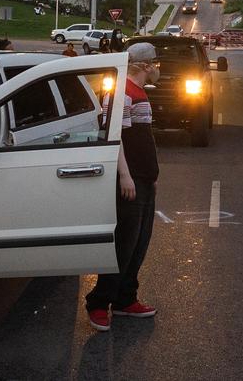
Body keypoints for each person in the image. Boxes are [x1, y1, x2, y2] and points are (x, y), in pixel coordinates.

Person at [85, 41, 160, 331]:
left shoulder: (139, 91)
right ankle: (99, 302)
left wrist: (152, 174)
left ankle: (126, 298)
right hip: (131, 181)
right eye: (154, 61)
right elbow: (114, 138)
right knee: (124, 246)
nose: (157, 67)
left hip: (145, 180)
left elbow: (143, 138)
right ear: (142, 65)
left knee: (139, 244)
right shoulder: (120, 91)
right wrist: (125, 176)